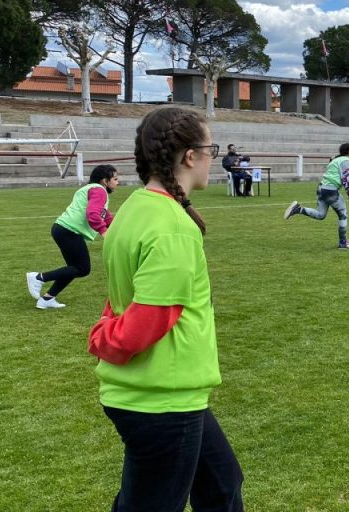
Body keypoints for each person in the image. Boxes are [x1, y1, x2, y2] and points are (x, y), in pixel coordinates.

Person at [87, 107, 243, 511]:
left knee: (222, 485)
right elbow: (144, 323)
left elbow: (122, 294)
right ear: (190, 156)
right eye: (209, 149)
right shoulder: (172, 226)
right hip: (160, 399)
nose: (214, 159)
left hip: (165, 393)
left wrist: (107, 326)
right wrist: (102, 337)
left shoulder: (136, 209)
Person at [25, 164, 119, 310]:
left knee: (75, 268)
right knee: (82, 268)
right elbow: (93, 214)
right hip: (68, 230)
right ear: (104, 181)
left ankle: (47, 298)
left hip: (62, 229)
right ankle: (38, 278)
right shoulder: (99, 191)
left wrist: (117, 230)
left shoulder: (90, 189)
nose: (117, 182)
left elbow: (105, 215)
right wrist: (104, 232)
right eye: (115, 179)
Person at [284, 143, 349, 249]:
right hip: (331, 191)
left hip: (321, 188)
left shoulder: (335, 160)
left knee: (320, 214)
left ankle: (298, 209)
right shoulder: (346, 161)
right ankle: (343, 242)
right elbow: (347, 179)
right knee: (343, 215)